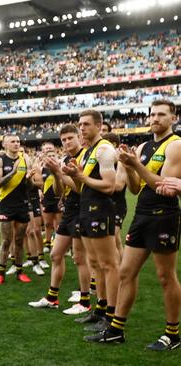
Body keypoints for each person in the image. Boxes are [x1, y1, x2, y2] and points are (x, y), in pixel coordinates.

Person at [87, 99, 181, 350]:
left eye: (162, 114)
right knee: (126, 272)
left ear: (173, 118)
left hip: (164, 215)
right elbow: (135, 187)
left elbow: (164, 186)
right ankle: (116, 329)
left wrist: (135, 164)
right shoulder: (144, 146)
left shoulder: (175, 145)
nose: (155, 118)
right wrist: (129, 167)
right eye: (152, 114)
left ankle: (172, 333)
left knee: (165, 276)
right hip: (142, 214)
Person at [62, 110, 120, 335]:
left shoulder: (104, 149)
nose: (82, 128)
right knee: (95, 263)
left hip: (101, 210)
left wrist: (82, 177)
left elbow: (109, 186)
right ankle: (101, 309)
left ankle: (112, 315)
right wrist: (72, 175)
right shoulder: (87, 152)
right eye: (80, 124)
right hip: (86, 210)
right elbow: (81, 187)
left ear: (99, 125)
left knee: (108, 264)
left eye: (86, 124)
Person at [28, 124, 92, 315]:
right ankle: (52, 298)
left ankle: (85, 300)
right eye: (63, 140)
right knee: (56, 254)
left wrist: (59, 173)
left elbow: (79, 187)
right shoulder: (64, 159)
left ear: (79, 137)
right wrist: (57, 174)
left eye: (70, 138)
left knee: (80, 258)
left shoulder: (86, 156)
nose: (66, 142)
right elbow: (58, 191)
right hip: (69, 211)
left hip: (83, 210)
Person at [0, 134, 32, 285]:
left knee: (20, 240)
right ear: (5, 145)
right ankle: (1, 273)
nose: (16, 144)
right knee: (6, 240)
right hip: (6, 205)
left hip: (22, 204)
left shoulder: (26, 159)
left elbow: (30, 186)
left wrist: (29, 179)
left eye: (18, 141)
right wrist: (13, 173)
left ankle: (20, 271)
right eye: (12, 141)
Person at [103, 133, 128, 262]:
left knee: (112, 240)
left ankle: (117, 272)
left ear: (113, 144)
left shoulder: (120, 161)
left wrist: (97, 183)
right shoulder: (103, 159)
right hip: (104, 204)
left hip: (117, 205)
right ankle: (123, 271)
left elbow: (118, 186)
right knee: (116, 241)